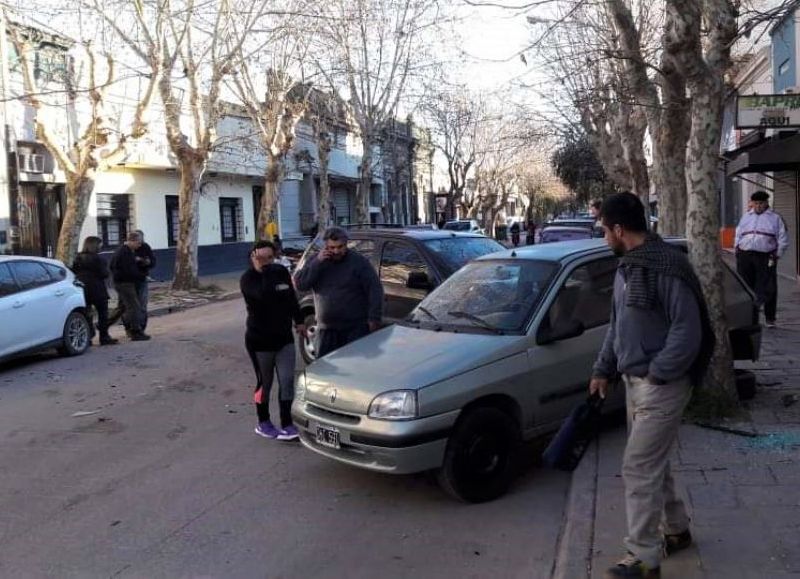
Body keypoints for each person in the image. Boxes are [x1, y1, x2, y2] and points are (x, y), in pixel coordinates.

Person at [589, 192, 714, 579]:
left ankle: (643, 557)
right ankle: (676, 532)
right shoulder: (627, 268)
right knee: (654, 464)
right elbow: (618, 326)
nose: (602, 236)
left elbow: (687, 330)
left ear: (619, 229)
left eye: (603, 229)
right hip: (633, 383)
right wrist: (602, 369)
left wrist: (659, 372)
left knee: (638, 466)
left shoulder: (668, 267)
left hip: (662, 385)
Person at [241, 241, 305, 441]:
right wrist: (266, 272)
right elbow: (263, 296)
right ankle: (263, 421)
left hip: (284, 338)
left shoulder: (280, 272)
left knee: (287, 381)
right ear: (253, 257)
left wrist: (300, 322)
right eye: (261, 258)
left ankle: (287, 423)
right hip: (259, 342)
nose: (267, 262)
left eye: (270, 258)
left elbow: (291, 298)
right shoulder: (248, 279)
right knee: (264, 384)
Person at [293, 226, 383, 357]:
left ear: (346, 244)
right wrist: (317, 263)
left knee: (354, 368)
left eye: (340, 247)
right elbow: (301, 284)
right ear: (326, 246)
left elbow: (375, 289)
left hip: (355, 329)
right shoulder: (316, 261)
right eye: (332, 247)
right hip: (326, 330)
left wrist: (374, 318)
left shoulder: (358, 262)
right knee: (327, 370)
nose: (336, 251)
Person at [735, 190, 789, 328]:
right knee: (746, 287)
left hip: (766, 257)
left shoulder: (775, 218)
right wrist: (737, 249)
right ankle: (750, 317)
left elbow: (783, 238)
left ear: (766, 203)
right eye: (756, 203)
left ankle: (770, 318)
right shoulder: (746, 216)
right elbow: (738, 233)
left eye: (761, 203)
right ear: (752, 203)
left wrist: (777, 254)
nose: (758, 206)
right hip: (745, 256)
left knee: (768, 287)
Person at [72, 236, 118, 346]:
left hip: (83, 289)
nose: (101, 247)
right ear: (95, 245)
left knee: (87, 314)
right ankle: (104, 336)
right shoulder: (98, 259)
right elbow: (104, 274)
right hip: (97, 289)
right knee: (103, 314)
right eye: (99, 245)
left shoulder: (77, 258)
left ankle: (88, 338)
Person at [109, 232, 151, 341]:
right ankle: (136, 331)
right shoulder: (124, 252)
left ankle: (103, 325)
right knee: (134, 306)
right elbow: (129, 271)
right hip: (125, 283)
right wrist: (143, 276)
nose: (139, 245)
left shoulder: (125, 251)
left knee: (123, 307)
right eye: (138, 243)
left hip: (124, 282)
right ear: (131, 241)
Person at [133, 229, 156, 332]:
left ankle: (141, 327)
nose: (139, 241)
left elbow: (152, 262)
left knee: (142, 303)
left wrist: (144, 261)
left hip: (142, 278)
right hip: (130, 280)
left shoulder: (145, 247)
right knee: (131, 305)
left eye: (140, 238)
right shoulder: (127, 248)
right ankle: (132, 327)